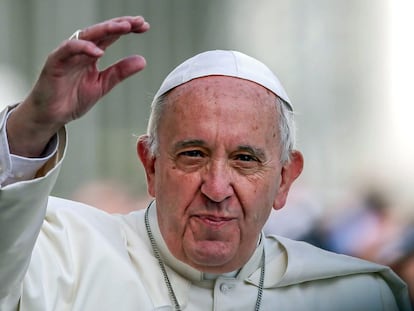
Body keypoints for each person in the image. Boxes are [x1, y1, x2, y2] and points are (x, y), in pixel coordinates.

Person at [0, 16, 411, 311]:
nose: (216, 188)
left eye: (245, 159)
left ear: (285, 179)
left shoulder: (355, 294)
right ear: (151, 167)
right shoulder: (59, 256)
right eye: (193, 154)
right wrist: (34, 122)